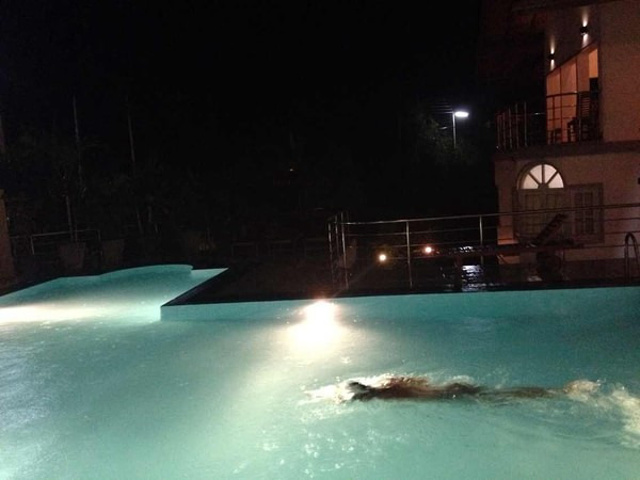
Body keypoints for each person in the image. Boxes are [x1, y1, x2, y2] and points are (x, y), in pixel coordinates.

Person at [346, 376, 594, 402]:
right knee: (501, 393)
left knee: (501, 397)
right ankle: (555, 391)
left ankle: (557, 393)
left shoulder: (387, 394)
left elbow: (360, 399)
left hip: (452, 394)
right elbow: (417, 380)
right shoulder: (392, 384)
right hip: (452, 387)